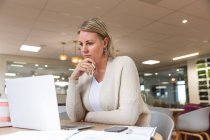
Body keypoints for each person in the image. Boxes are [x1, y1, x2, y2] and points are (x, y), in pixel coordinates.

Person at [66, 18, 150, 126]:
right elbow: (75, 117)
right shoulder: (84, 73)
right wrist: (73, 79)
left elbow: (127, 118)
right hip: (98, 133)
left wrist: (89, 116)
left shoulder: (124, 64)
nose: (84, 50)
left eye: (90, 43)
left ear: (105, 42)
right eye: (81, 44)